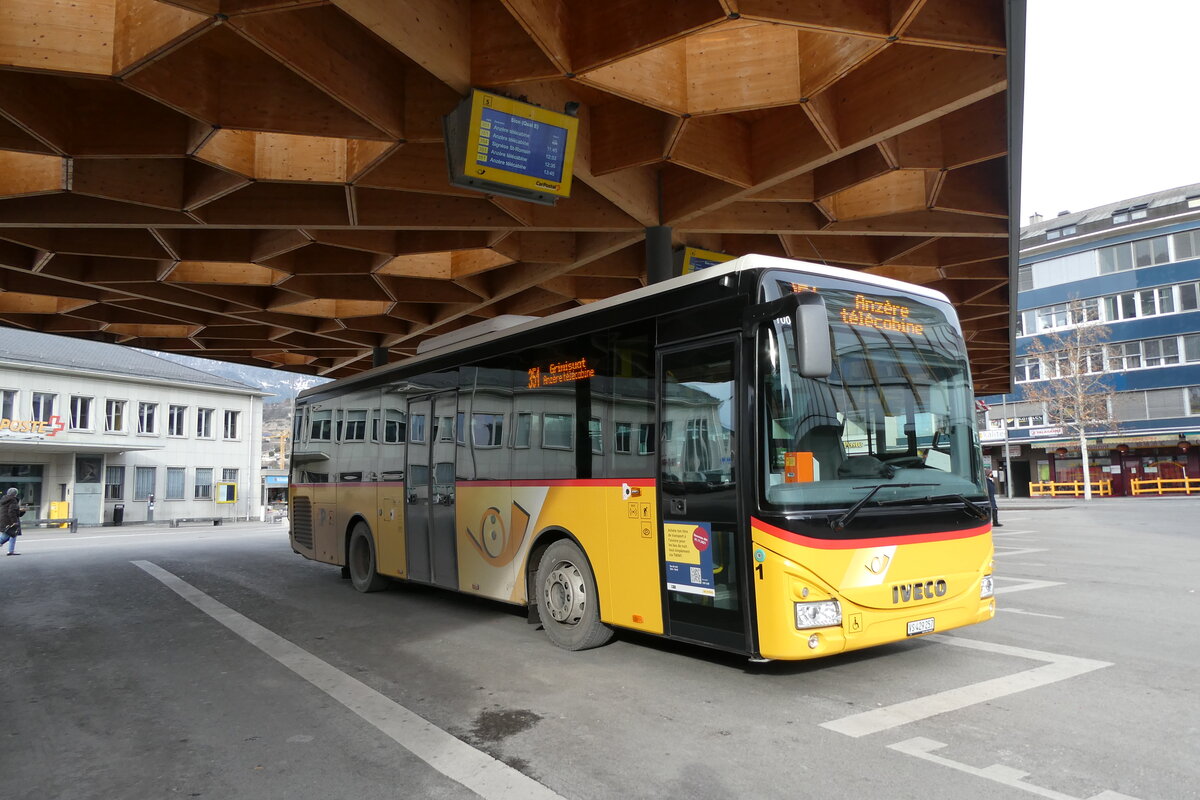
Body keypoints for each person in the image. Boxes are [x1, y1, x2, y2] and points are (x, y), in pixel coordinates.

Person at [0, 487, 24, 555]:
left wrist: (21, 511)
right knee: (12, 534)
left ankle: (11, 550)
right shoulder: (13, 500)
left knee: (8, 535)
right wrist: (14, 522)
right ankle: (11, 551)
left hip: (3, 520)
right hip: (10, 521)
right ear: (15, 494)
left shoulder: (4, 500)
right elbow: (11, 512)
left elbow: (11, 511)